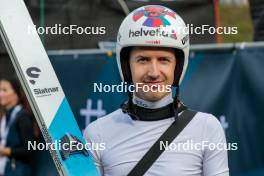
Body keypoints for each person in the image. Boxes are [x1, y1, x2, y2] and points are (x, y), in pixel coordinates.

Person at [84, 5, 229, 176]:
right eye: (143, 60)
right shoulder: (97, 134)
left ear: (178, 67)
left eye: (163, 60)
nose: (153, 72)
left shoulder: (207, 128)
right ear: (126, 66)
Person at [0, 77, 34, 176]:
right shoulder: (6, 117)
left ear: (16, 93)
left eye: (4, 90)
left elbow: (29, 150)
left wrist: (4, 151)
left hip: (18, 171)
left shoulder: (23, 116)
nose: (0, 94)